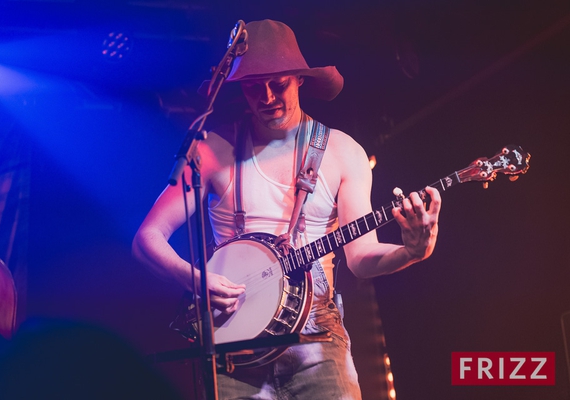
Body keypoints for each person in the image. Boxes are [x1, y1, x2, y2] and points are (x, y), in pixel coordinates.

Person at [132, 19, 441, 399]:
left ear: (299, 79)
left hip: (317, 338)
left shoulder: (344, 153)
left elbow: (360, 258)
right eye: (252, 89)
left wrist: (411, 251)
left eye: (277, 85)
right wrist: (194, 279)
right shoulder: (211, 149)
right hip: (231, 347)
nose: (266, 98)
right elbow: (147, 237)